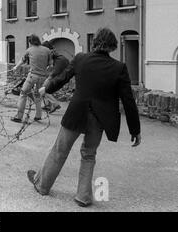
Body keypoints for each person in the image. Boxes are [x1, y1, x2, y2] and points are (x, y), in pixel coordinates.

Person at [27, 28, 141, 207]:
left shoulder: (81, 59)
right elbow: (128, 100)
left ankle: (42, 185)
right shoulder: (119, 68)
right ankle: (83, 196)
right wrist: (135, 130)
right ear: (112, 46)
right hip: (100, 118)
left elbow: (62, 78)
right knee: (89, 154)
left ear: (95, 42)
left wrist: (46, 89)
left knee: (60, 150)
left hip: (76, 112)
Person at [11, 34, 52, 123]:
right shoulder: (47, 50)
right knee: (38, 95)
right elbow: (50, 65)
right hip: (43, 77)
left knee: (23, 93)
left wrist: (15, 67)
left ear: (30, 42)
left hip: (32, 75)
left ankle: (19, 116)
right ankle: (38, 116)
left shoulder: (29, 50)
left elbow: (22, 60)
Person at [41, 41, 70, 114]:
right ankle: (48, 105)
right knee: (45, 88)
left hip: (59, 76)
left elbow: (54, 73)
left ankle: (55, 104)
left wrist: (48, 78)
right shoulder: (58, 56)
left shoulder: (56, 57)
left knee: (43, 89)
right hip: (62, 75)